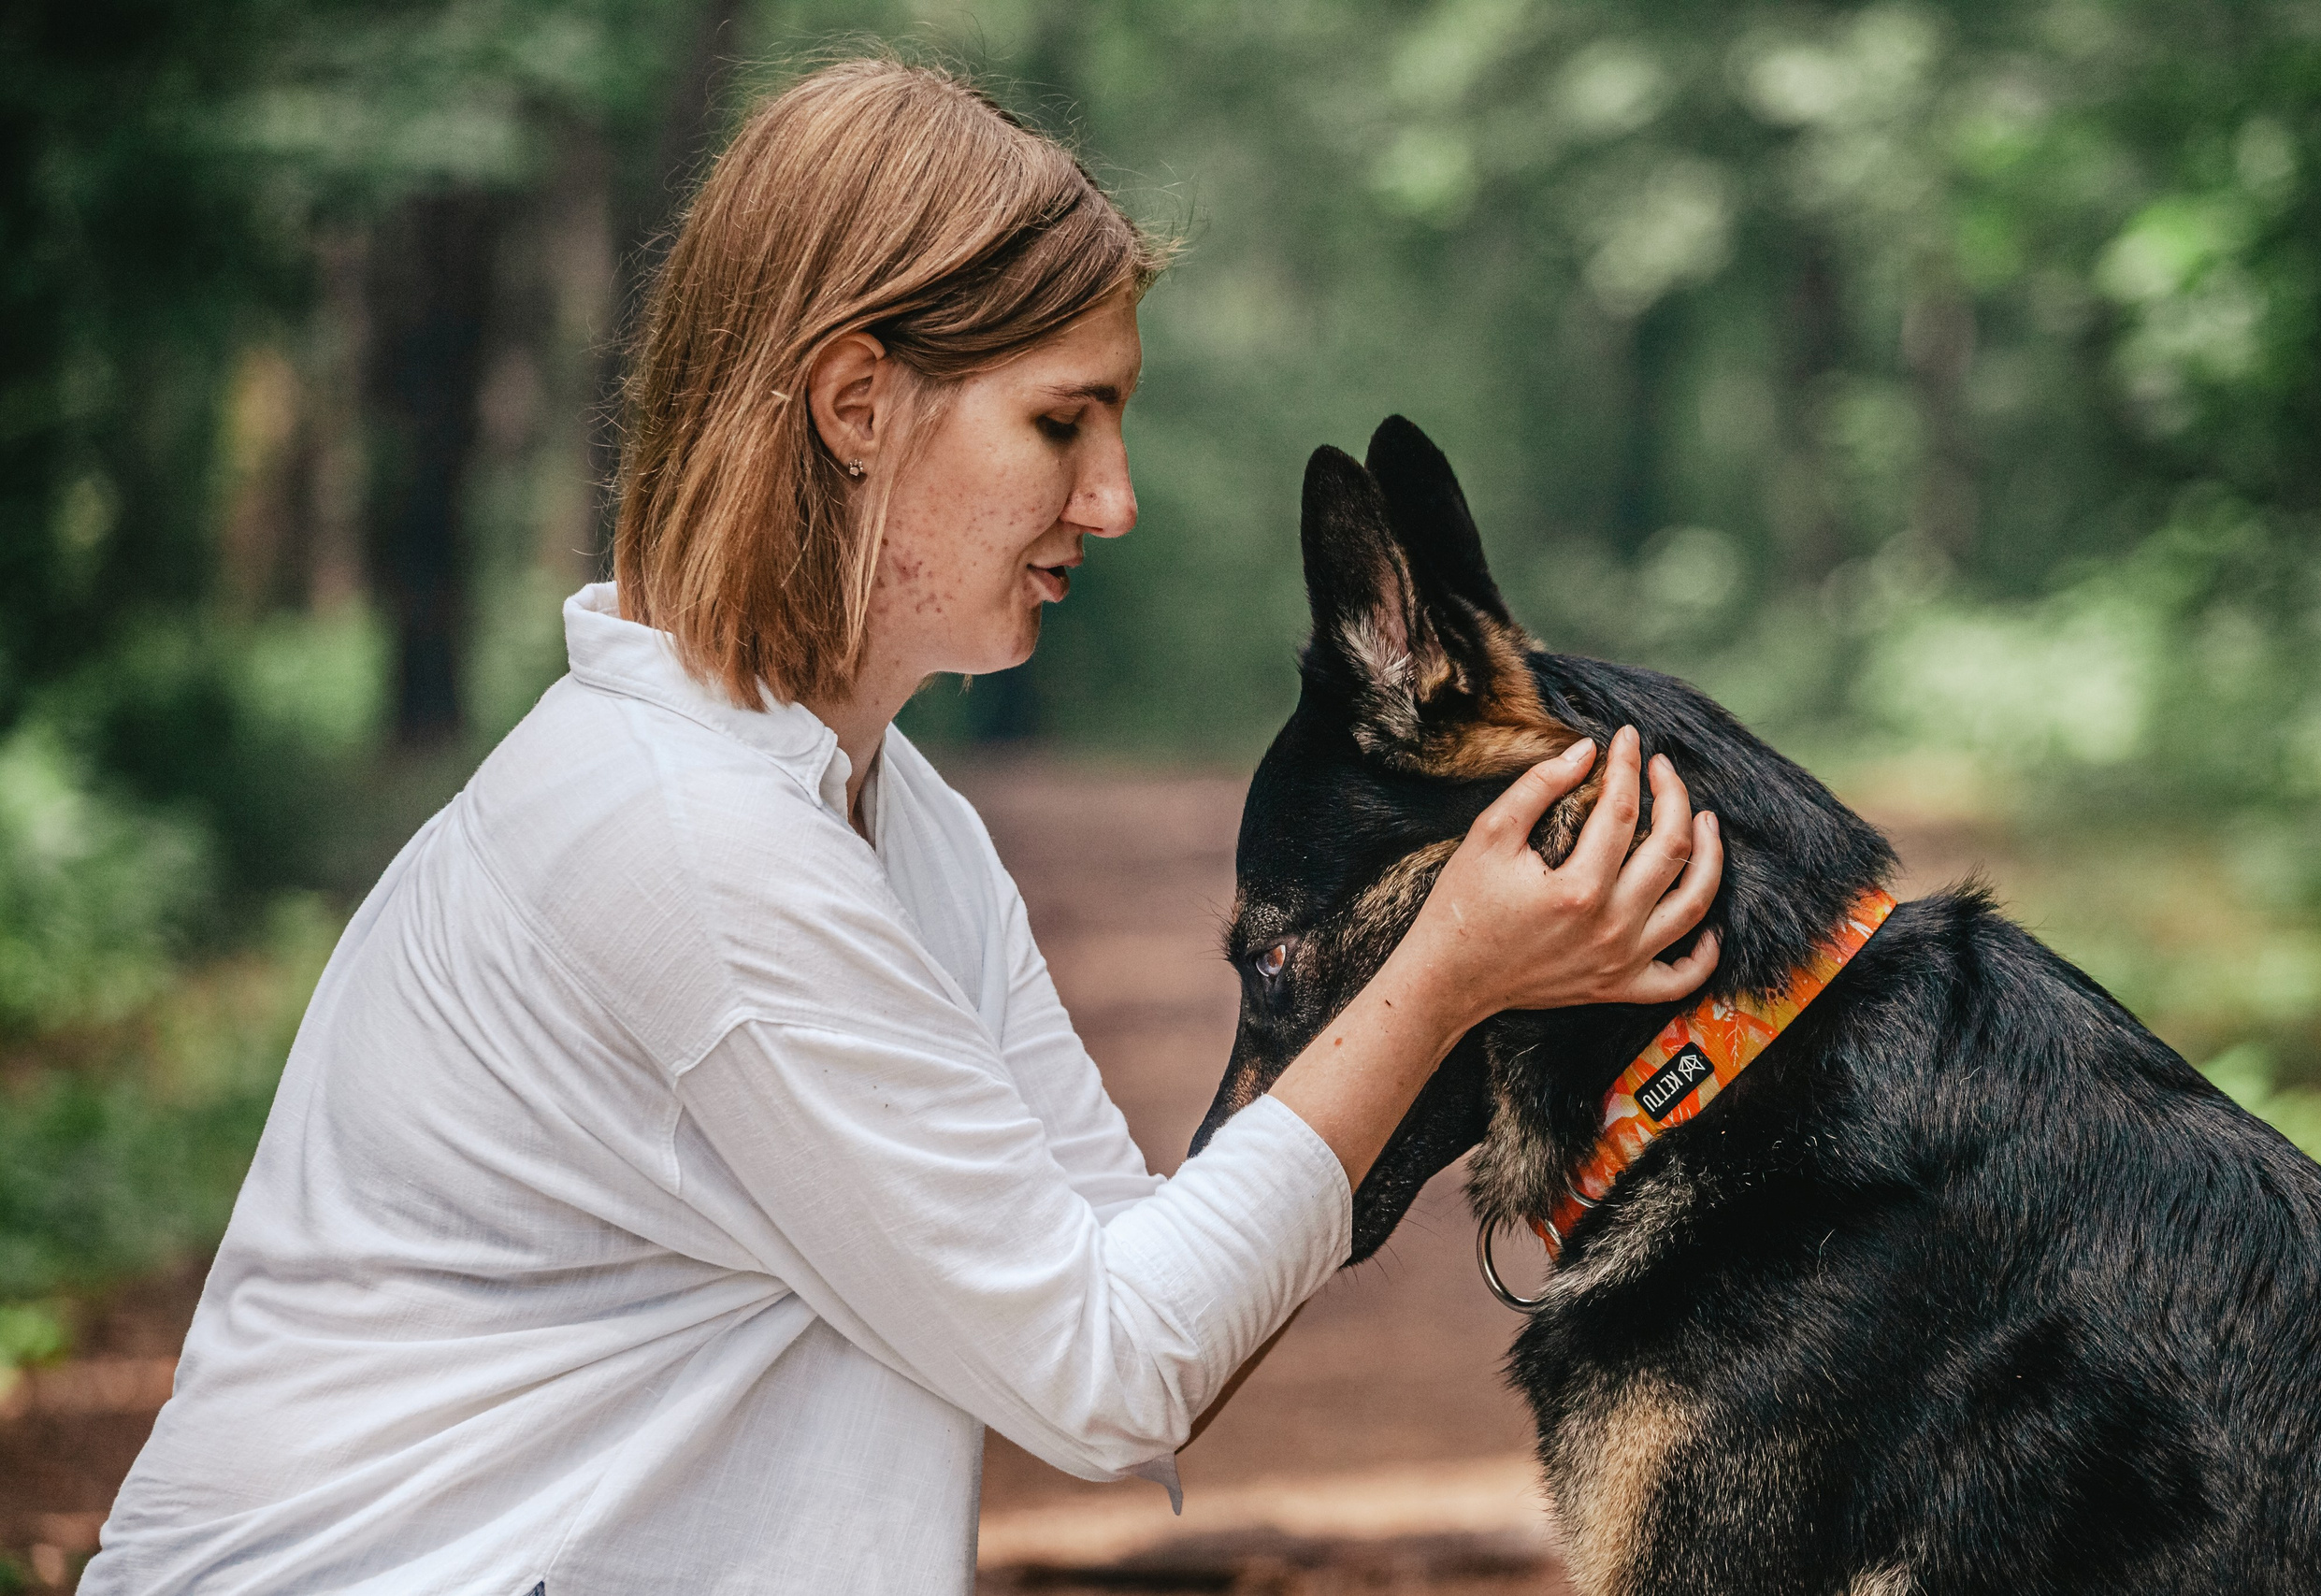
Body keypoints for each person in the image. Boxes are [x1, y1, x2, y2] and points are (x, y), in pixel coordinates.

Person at [82, 59, 1722, 1596]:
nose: (1115, 499)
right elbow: (1114, 1371)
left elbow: (1149, 1318)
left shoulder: (889, 816)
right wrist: (1443, 976)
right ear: (857, 403)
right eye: (1060, 423)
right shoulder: (686, 841)